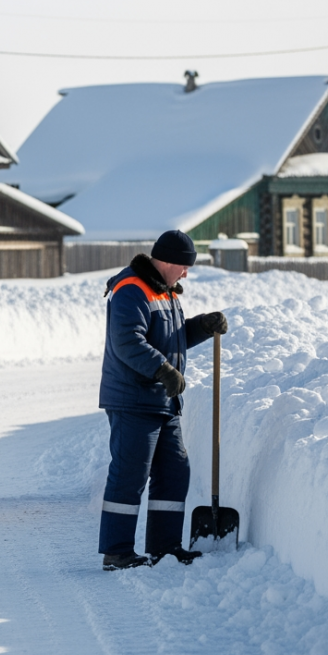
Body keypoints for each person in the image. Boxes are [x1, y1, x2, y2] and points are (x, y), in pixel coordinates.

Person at [98, 230, 228, 571]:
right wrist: (163, 370)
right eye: (184, 267)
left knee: (174, 471)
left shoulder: (163, 291)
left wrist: (201, 326)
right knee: (130, 474)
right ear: (168, 261)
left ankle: (165, 547)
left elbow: (172, 336)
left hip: (163, 402)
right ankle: (117, 551)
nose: (186, 274)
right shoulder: (131, 289)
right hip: (133, 399)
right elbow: (127, 341)